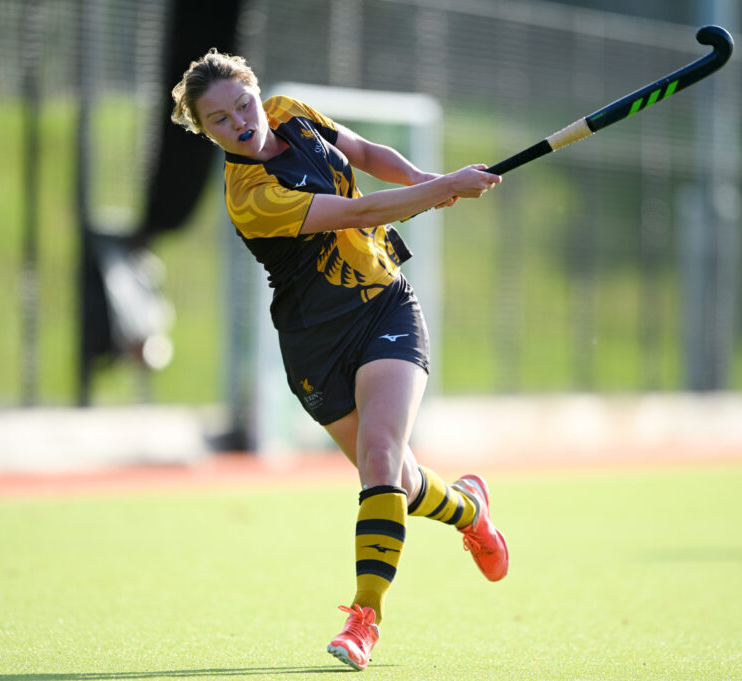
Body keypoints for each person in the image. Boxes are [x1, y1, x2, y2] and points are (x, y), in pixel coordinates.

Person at [171, 48, 508, 672]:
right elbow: (355, 212)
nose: (241, 120)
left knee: (379, 459)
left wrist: (427, 181)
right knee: (398, 482)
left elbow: (367, 156)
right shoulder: (249, 195)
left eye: (243, 102)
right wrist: (440, 190)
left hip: (383, 306)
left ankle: (365, 619)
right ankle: (470, 510)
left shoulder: (290, 113)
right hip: (314, 343)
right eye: (219, 119)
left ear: (256, 90)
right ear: (204, 129)